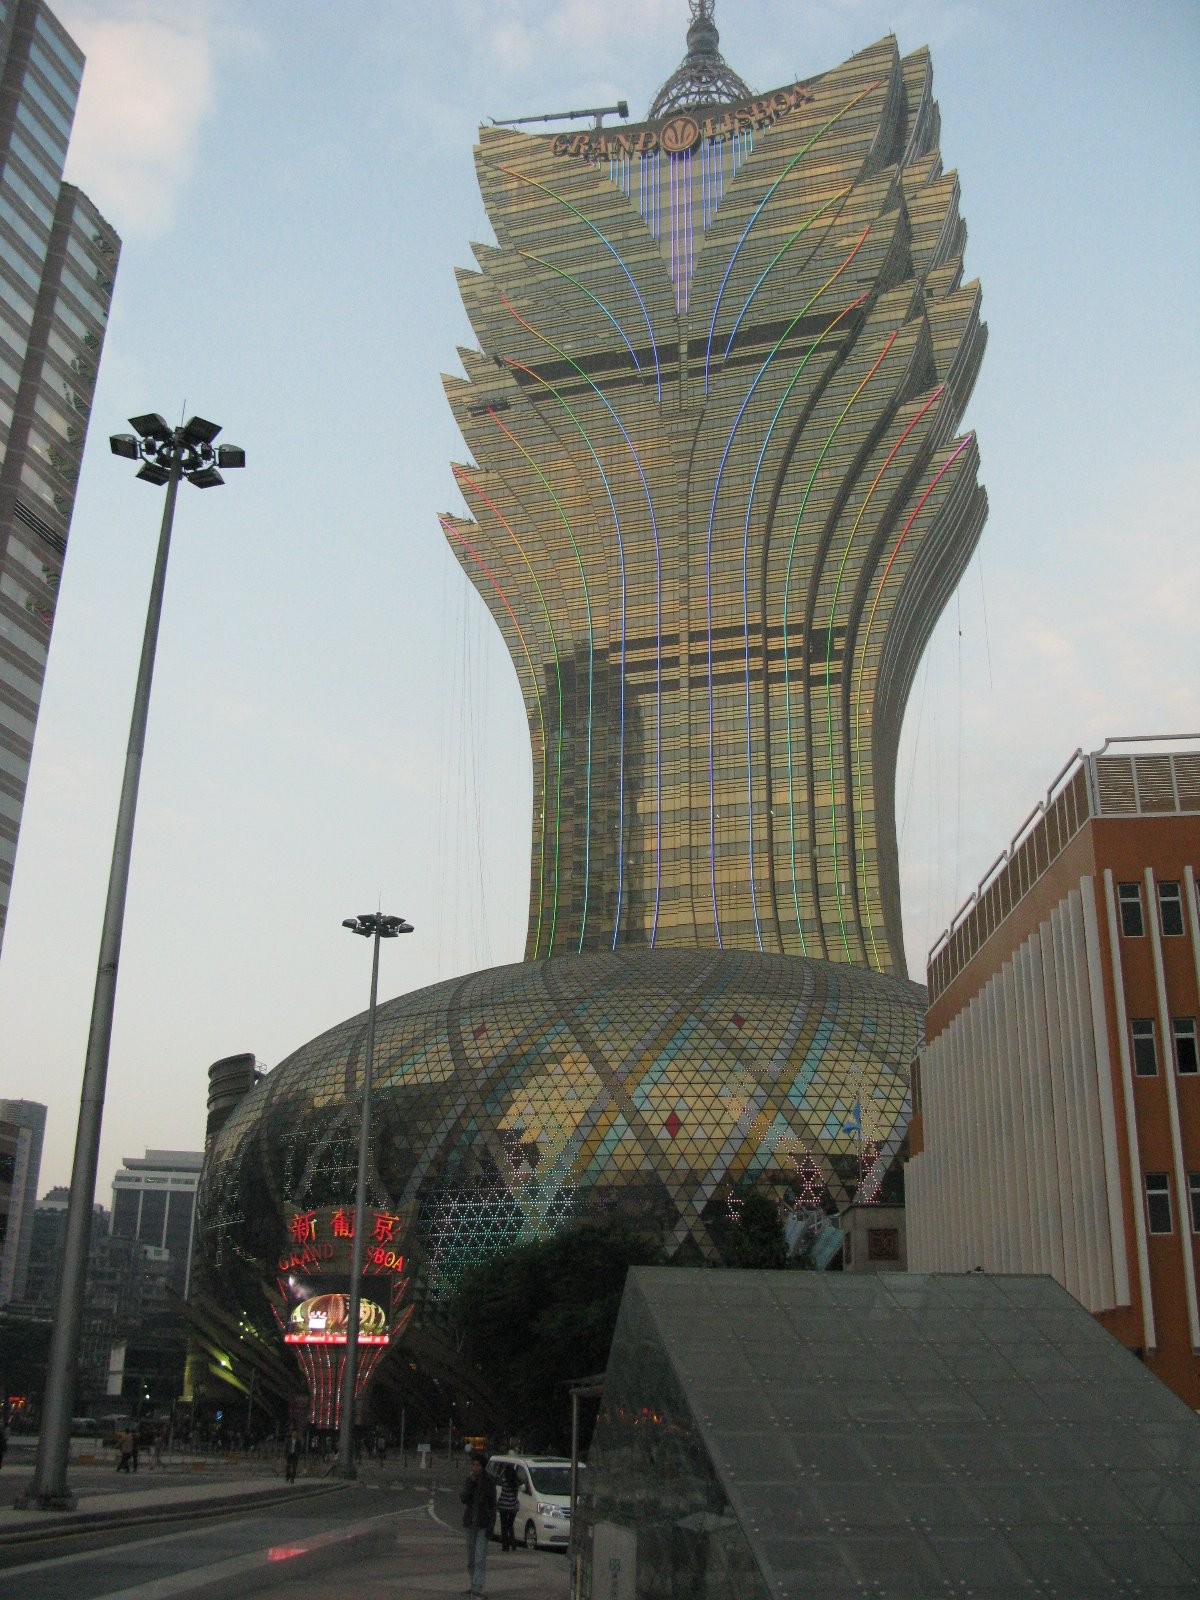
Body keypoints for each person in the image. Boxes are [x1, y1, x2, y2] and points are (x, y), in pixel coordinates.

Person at [460, 1451, 497, 1599]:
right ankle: (473, 1584)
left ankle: (477, 1588)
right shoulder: (469, 1480)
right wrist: (471, 1483)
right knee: (471, 1558)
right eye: (473, 1465)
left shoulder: (489, 1482)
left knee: (480, 1557)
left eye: (477, 1465)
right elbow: (463, 1498)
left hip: (483, 1523)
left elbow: (493, 1505)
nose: (475, 1468)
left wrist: (491, 1525)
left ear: (483, 1467)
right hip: (470, 1522)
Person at [497, 1462, 519, 1552]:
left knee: (503, 1526)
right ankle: (513, 1543)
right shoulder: (515, 1482)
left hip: (503, 1506)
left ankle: (505, 1545)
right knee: (510, 1525)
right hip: (513, 1506)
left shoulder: (504, 1480)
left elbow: (498, 1478)